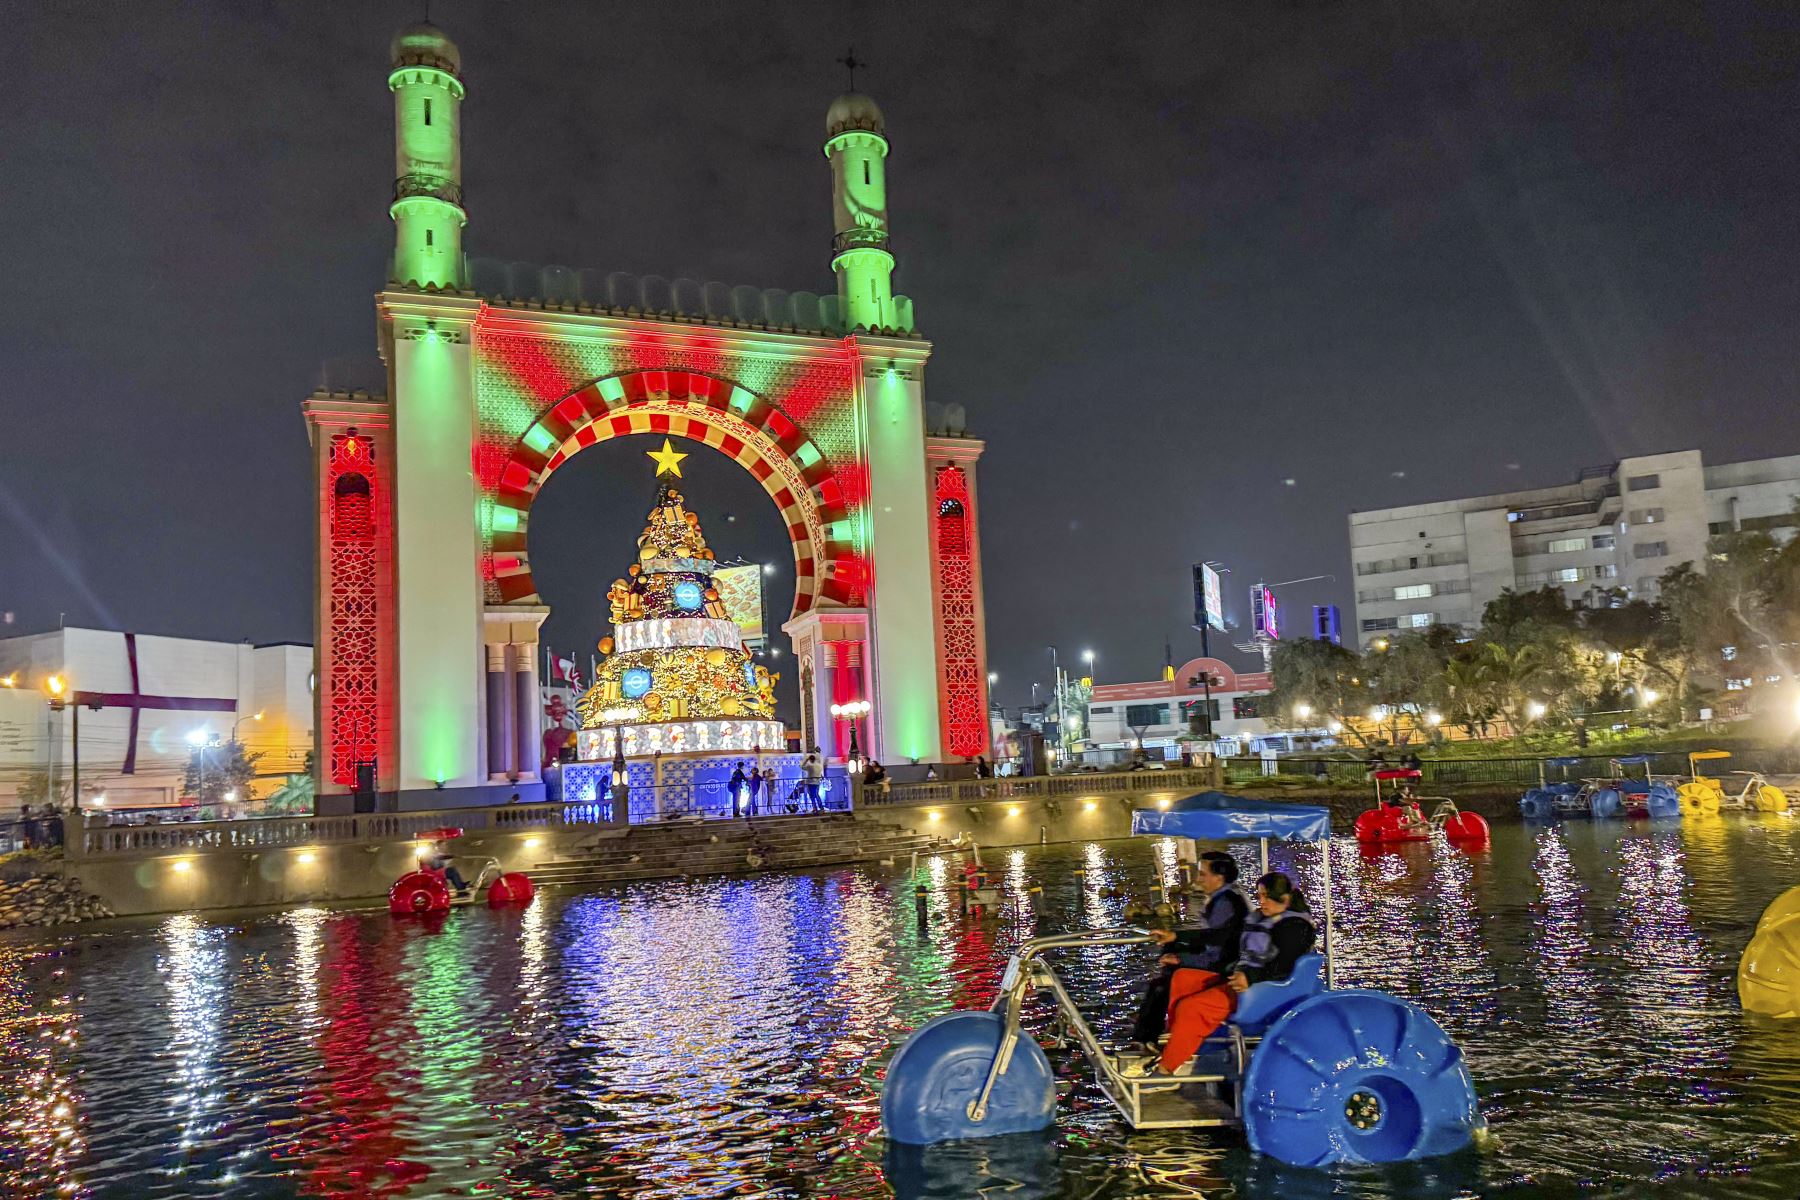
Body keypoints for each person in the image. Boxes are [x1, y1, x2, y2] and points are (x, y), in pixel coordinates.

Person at [1131, 871, 1316, 1077]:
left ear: (1284, 898)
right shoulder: (1263, 919)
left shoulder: (1295, 927)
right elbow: (1222, 938)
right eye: (1259, 895)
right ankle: (1180, 1046)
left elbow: (1283, 965)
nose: (1260, 901)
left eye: (1265, 896)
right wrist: (1177, 937)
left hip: (1266, 990)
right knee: (1183, 977)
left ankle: (1166, 1070)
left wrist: (1250, 976)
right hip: (1245, 979)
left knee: (1192, 1008)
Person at [1130, 852, 1249, 1053]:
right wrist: (1176, 941)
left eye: (1202, 875)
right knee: (1169, 959)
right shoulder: (1227, 898)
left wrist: (1182, 957)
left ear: (1218, 878)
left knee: (1160, 985)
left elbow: (1217, 942)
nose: (1197, 880)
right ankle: (1150, 1036)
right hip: (1223, 959)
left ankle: (1147, 1038)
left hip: (1225, 966)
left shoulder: (1225, 904)